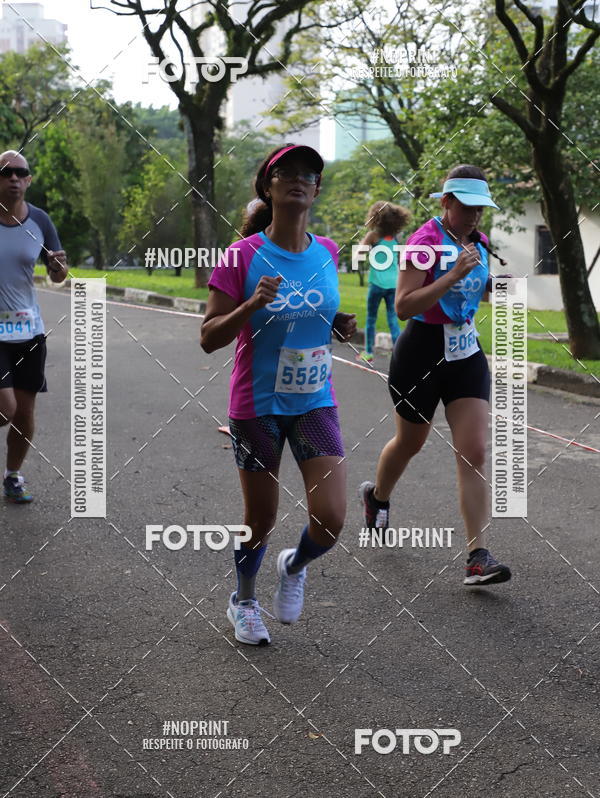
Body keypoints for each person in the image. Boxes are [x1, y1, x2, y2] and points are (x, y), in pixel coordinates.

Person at [201, 144, 356, 645]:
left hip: (314, 399)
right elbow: (209, 337)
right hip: (257, 405)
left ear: (316, 189)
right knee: (260, 519)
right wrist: (250, 304)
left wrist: (337, 323)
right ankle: (243, 600)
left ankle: (295, 564)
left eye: (307, 174)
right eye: (285, 172)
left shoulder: (327, 251)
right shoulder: (241, 256)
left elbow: (313, 309)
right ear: (268, 187)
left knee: (330, 519)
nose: (297, 179)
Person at [360, 164, 512, 586]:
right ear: (446, 202)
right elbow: (405, 306)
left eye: (481, 208)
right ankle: (377, 497)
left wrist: (497, 289)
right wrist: (451, 276)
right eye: (468, 207)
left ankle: (477, 557)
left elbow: (478, 286)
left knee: (474, 451)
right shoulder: (422, 243)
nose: (476, 216)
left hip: (465, 353)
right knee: (411, 442)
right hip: (421, 353)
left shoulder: (478, 242)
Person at [0, 150, 68, 503]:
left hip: (28, 332)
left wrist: (58, 267)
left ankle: (12, 475)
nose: (13, 177)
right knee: (5, 409)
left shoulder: (39, 220)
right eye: (6, 172)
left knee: (24, 415)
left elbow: (58, 275)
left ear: (28, 180)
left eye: (20, 172)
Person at [356, 201, 410, 363]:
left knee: (371, 318)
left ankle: (368, 353)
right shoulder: (395, 238)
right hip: (394, 284)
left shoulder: (372, 236)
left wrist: (361, 245)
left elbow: (358, 257)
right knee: (393, 320)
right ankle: (400, 356)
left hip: (377, 284)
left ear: (375, 217)